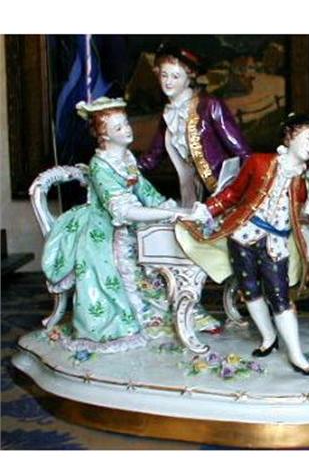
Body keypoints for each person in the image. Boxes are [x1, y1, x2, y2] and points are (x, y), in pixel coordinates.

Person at [42, 97, 208, 353]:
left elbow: (146, 192)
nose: (127, 130)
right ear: (104, 136)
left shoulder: (126, 158)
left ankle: (166, 313)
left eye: (126, 124)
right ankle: (120, 323)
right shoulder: (100, 166)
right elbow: (123, 210)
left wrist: (177, 210)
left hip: (128, 224)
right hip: (103, 230)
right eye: (118, 127)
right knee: (107, 271)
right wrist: (171, 214)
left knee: (157, 250)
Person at [176, 114, 309, 376]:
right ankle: (268, 337)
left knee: (280, 297)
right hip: (242, 235)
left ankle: (296, 355)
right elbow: (233, 194)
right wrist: (208, 209)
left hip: (276, 243)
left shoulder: (308, 182)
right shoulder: (259, 162)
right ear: (290, 135)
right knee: (249, 289)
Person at [138, 43, 252, 207]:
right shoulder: (168, 116)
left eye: (175, 76)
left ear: (188, 78)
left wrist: (248, 186)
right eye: (164, 75)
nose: (168, 82)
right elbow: (152, 157)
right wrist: (123, 169)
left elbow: (241, 151)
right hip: (192, 190)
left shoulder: (210, 105)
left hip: (221, 187)